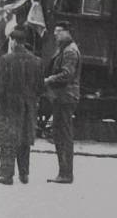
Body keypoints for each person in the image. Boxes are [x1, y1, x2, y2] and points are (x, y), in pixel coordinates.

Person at [0, 26, 44, 185]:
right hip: (28, 106)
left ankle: (6, 174)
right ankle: (24, 174)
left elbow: (0, 86)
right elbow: (40, 87)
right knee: (24, 140)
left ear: (13, 41)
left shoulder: (5, 60)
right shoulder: (37, 61)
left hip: (9, 106)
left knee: (8, 140)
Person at [44, 20, 81, 184]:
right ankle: (64, 172)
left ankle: (65, 174)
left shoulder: (70, 51)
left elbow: (67, 74)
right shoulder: (66, 49)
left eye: (58, 31)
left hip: (66, 96)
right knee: (60, 134)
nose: (55, 34)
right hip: (63, 96)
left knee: (63, 135)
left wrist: (48, 80)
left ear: (67, 32)